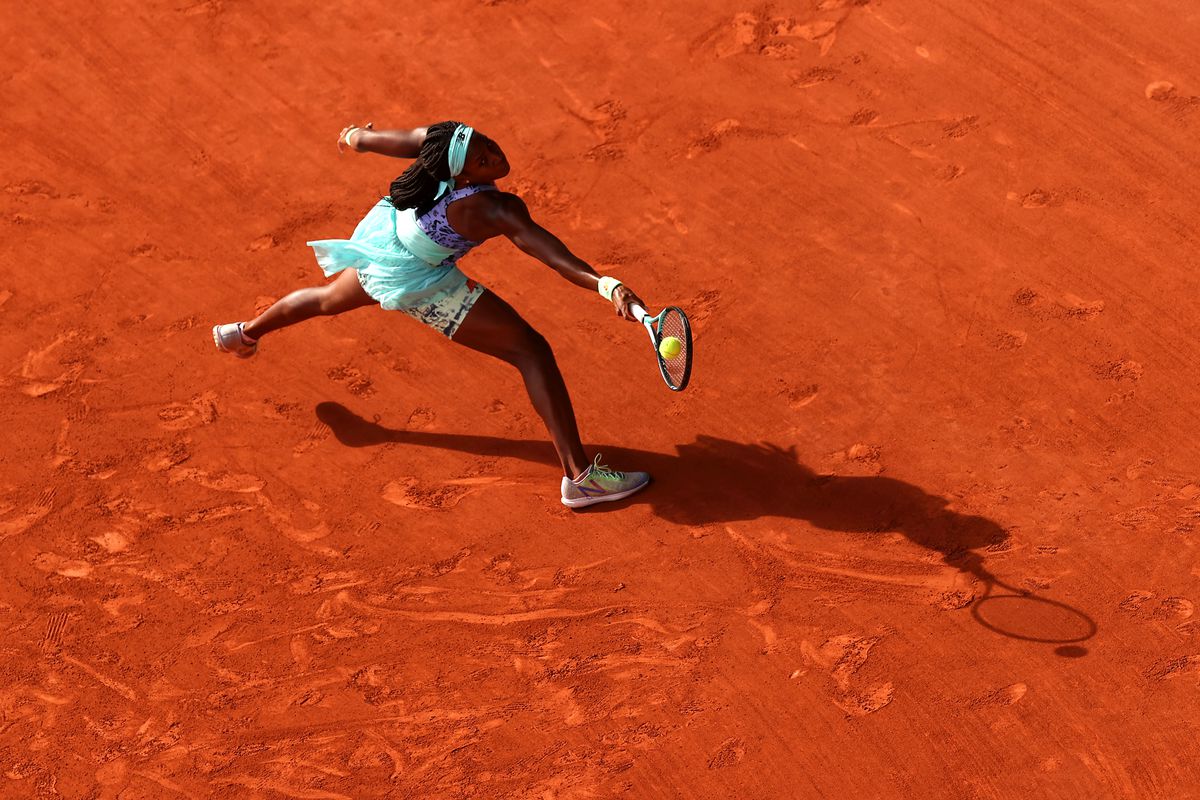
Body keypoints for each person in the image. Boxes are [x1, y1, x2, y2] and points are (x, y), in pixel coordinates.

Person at [212, 121, 650, 508]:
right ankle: (580, 478)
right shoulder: (495, 208)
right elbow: (550, 253)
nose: (495, 157)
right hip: (420, 282)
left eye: (490, 145)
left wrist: (358, 137)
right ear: (462, 173)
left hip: (389, 242)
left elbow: (402, 140)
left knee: (327, 299)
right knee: (531, 351)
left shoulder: (441, 146)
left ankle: (243, 334)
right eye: (483, 159)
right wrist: (605, 284)